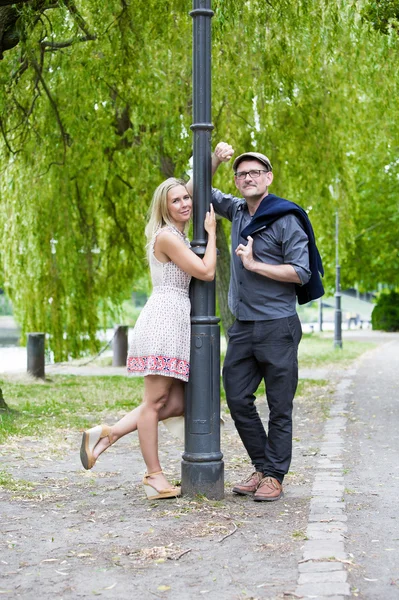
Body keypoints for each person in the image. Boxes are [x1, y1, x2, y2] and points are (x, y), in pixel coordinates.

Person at [189, 142, 322, 502]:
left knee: (280, 406)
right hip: (243, 326)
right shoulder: (237, 210)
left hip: (278, 326)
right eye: (242, 173)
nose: (248, 177)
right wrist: (214, 160)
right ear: (237, 181)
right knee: (236, 398)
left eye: (255, 172)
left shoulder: (285, 218)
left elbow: (300, 271)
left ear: (268, 178)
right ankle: (264, 467)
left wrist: (254, 265)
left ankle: (274, 475)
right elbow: (197, 189)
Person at [80, 178, 217, 500]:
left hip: (173, 320)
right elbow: (206, 272)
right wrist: (212, 235)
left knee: (178, 402)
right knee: (154, 403)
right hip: (164, 321)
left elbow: (194, 176)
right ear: (164, 207)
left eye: (187, 197)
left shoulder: (176, 235)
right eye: (176, 200)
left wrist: (214, 162)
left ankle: (108, 434)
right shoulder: (168, 237)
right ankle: (153, 476)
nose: (185, 203)